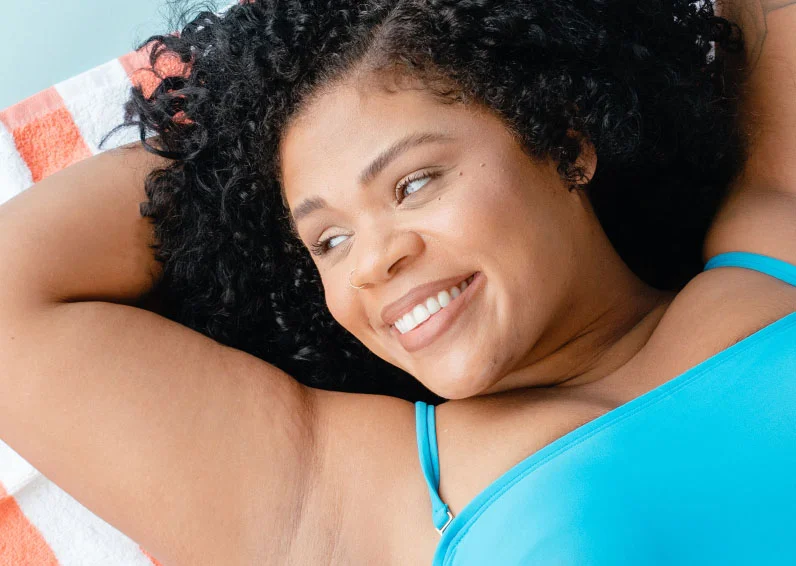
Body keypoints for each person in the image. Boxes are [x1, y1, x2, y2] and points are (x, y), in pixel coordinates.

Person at [0, 0, 795, 564]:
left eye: (413, 183)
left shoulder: (772, 244)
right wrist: (230, 139)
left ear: (565, 142)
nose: (372, 262)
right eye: (329, 240)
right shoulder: (343, 499)